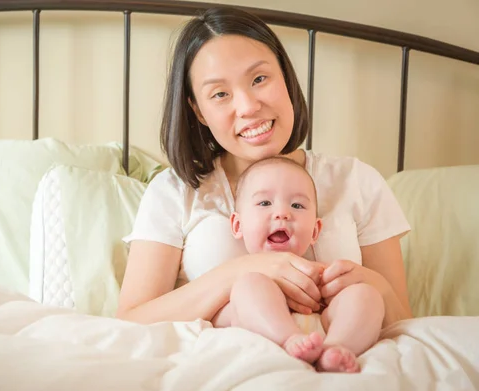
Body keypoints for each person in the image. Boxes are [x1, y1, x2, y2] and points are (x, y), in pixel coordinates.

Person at [117, 5, 413, 372]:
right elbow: (129, 322)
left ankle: (331, 353)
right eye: (220, 94)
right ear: (197, 110)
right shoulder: (175, 191)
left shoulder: (357, 181)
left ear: (285, 79)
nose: (248, 106)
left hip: (349, 369)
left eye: (259, 79)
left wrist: (369, 283)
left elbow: (405, 320)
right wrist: (240, 273)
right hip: (228, 369)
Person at [212, 155, 385, 372]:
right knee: (250, 285)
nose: (282, 213)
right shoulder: (240, 281)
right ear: (238, 225)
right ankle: (289, 340)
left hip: (325, 334)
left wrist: (338, 289)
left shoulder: (317, 275)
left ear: (315, 230)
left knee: (366, 294)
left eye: (297, 205)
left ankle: (336, 350)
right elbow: (218, 319)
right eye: (265, 203)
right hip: (272, 337)